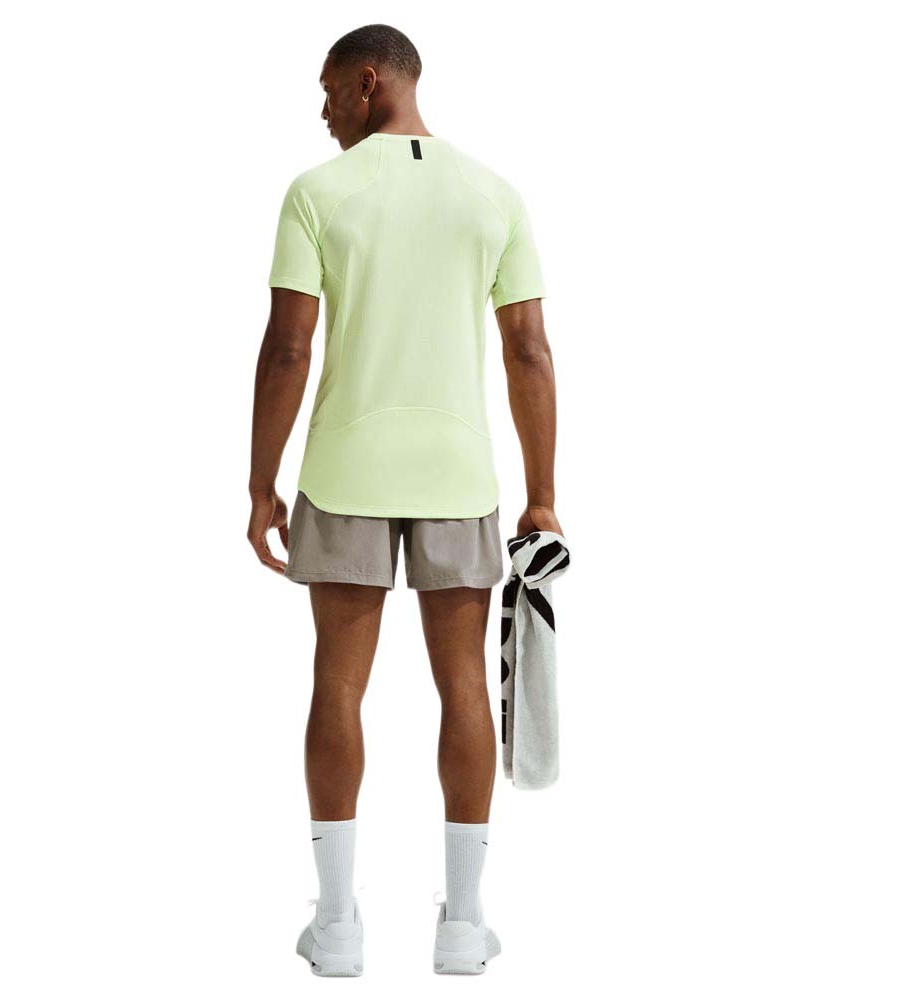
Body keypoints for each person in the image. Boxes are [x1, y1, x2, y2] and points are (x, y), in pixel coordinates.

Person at [249, 23, 560, 977]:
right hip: (458, 474)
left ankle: (338, 925)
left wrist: (260, 482)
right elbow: (529, 350)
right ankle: (463, 925)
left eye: (329, 89)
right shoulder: (493, 195)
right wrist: (543, 496)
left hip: (346, 469)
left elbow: (289, 348)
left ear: (369, 82)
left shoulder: (318, 193)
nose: (322, 109)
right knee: (462, 684)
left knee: (337, 684)